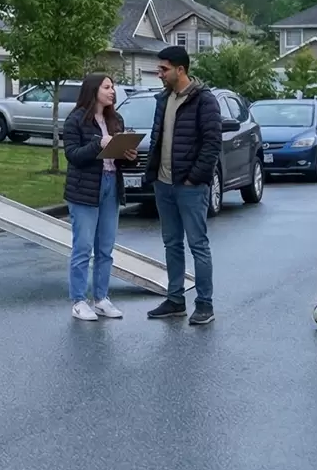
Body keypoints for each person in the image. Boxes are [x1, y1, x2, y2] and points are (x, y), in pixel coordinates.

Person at [143, 45, 222, 325]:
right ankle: (175, 299)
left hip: (190, 186)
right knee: (171, 243)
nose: (159, 74)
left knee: (197, 244)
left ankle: (205, 304)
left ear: (181, 69)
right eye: (159, 69)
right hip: (163, 184)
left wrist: (194, 177)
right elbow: (157, 138)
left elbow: (212, 144)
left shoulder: (204, 100)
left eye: (163, 69)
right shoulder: (163, 99)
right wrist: (152, 173)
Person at [60, 74, 137, 321]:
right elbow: (73, 155)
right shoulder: (75, 120)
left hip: (111, 184)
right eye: (107, 87)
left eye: (112, 87)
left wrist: (128, 154)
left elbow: (117, 157)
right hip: (84, 189)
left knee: (105, 247)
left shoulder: (116, 120)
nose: (112, 91)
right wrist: (99, 144)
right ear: (93, 90)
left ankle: (101, 298)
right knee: (83, 247)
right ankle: (79, 301)